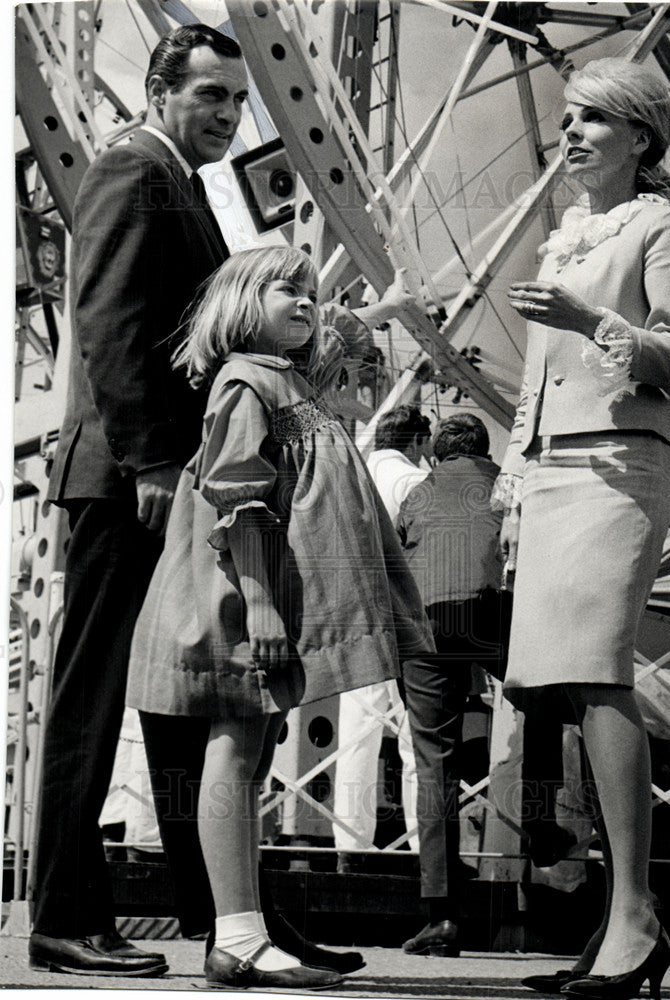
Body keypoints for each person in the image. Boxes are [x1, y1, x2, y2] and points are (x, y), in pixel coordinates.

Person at [29, 24, 356, 979]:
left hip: (166, 476)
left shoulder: (176, 180)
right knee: (91, 701)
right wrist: (148, 466)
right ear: (161, 90)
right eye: (211, 96)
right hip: (128, 479)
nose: (227, 115)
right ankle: (65, 915)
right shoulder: (133, 172)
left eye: (238, 101)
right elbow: (109, 326)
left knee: (184, 704)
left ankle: (231, 919)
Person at [125, 245, 435, 990]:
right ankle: (234, 935)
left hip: (263, 595)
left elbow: (346, 339)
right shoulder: (244, 382)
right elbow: (238, 501)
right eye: (285, 290)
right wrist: (262, 605)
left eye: (310, 291)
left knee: (253, 753)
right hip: (241, 597)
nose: (305, 302)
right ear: (239, 303)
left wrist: (380, 310)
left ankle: (242, 930)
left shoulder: (292, 378)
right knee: (234, 750)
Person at [495, 58, 670, 1000]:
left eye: (592, 119)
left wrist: (591, 321)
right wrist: (512, 475)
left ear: (640, 135)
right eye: (567, 117)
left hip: (620, 464)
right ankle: (621, 922)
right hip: (553, 467)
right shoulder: (567, 234)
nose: (570, 131)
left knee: (594, 671)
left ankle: (634, 916)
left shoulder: (666, 226)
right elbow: (535, 379)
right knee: (566, 688)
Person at [396, 413, 511, 956]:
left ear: (436, 455)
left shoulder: (417, 495)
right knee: (553, 698)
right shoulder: (501, 485)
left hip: (422, 625)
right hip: (487, 613)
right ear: (485, 450)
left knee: (432, 762)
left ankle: (440, 916)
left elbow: (392, 564)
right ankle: (543, 821)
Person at [332, 404, 431, 870]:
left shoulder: (352, 473)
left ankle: (350, 845)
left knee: (357, 732)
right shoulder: (413, 481)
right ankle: (418, 845)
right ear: (417, 442)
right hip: (401, 618)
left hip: (350, 614)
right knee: (414, 738)